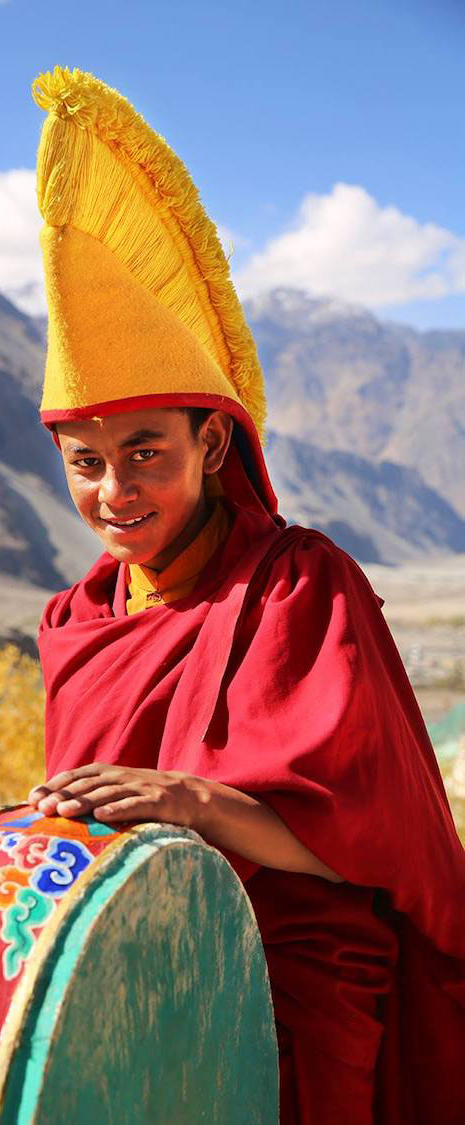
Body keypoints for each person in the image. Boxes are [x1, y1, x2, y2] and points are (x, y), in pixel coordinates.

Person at [25, 66, 465, 1123]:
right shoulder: (74, 622)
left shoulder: (304, 586)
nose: (115, 491)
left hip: (285, 1005)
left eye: (145, 453)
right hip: (120, 1003)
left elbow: (387, 850)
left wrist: (193, 803)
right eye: (85, 462)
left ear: (211, 439)